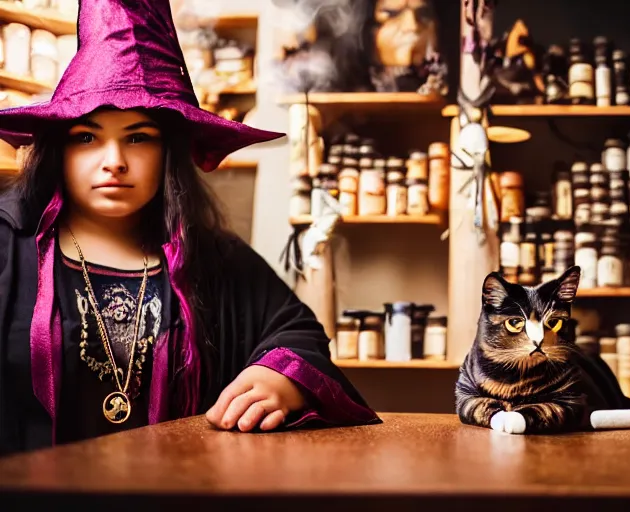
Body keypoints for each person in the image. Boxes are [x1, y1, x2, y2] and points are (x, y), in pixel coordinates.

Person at [0, 0, 379, 456]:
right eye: (87, 137)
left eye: (139, 137)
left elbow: (296, 331)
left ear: (170, 154)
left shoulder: (212, 258)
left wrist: (278, 377)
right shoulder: (7, 246)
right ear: (59, 148)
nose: (113, 161)